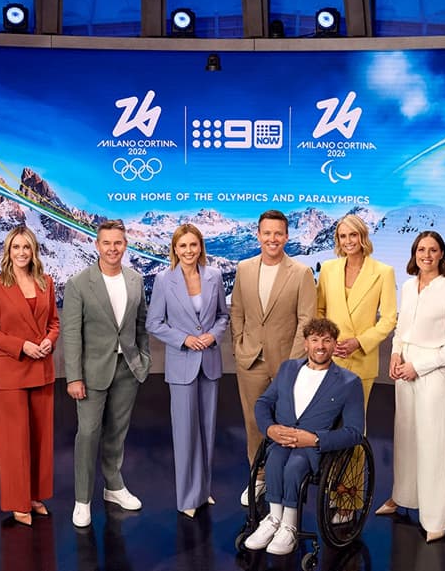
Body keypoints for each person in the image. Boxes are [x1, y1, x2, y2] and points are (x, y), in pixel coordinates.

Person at [375, 230, 445, 543]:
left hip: (432, 374)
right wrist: (395, 354)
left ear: (442, 255)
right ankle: (401, 496)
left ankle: (436, 519)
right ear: (414, 254)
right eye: (421, 249)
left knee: (433, 444)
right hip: (405, 369)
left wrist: (419, 366)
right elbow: (402, 329)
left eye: (433, 250)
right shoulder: (408, 287)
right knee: (405, 436)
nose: (426, 255)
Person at [243, 318, 364, 555]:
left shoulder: (349, 382)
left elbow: (355, 432)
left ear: (334, 344)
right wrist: (270, 429)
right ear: (306, 343)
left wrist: (316, 439)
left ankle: (289, 525)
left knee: (294, 467)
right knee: (274, 461)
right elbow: (264, 402)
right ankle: (273, 519)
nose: (321, 346)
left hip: (313, 448)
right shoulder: (288, 368)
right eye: (315, 340)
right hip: (281, 439)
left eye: (327, 340)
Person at [62, 220, 152, 528]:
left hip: (127, 368)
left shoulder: (135, 279)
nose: (113, 248)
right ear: (97, 245)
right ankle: (82, 500)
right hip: (91, 373)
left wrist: (143, 359)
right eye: (107, 243)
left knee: (117, 433)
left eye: (118, 243)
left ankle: (113, 486)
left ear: (125, 245)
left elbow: (140, 325)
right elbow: (71, 334)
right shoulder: (78, 283)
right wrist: (74, 377)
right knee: (88, 434)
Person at [230, 209, 317, 506]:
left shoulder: (301, 273)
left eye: (278, 233)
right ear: (258, 235)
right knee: (254, 422)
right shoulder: (244, 268)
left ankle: (284, 482)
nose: (272, 238)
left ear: (287, 236)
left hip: (286, 363)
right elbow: (237, 311)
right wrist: (238, 346)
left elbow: (306, 320)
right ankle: (259, 478)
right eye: (267, 233)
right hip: (251, 360)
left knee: (287, 423)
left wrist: (293, 364)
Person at [146, 223, 230, 517]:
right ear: (174, 249)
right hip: (182, 364)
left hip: (209, 362)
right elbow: (154, 323)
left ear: (201, 247)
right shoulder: (163, 280)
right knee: (185, 433)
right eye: (182, 246)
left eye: (193, 245)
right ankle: (187, 499)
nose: (188, 250)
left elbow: (222, 316)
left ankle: (203, 491)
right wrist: (184, 339)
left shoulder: (214, 276)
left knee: (207, 430)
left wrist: (213, 336)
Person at [0, 224, 59, 527]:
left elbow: (54, 323)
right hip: (12, 371)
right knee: (15, 442)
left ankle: (35, 496)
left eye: (27, 247)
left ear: (34, 251)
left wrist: (49, 340)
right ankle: (17, 502)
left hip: (42, 369)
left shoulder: (46, 282)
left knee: (40, 440)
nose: (22, 252)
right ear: (8, 252)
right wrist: (22, 346)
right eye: (16, 247)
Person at [316, 213, 397, 405]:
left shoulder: (383, 272)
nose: (348, 241)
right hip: (330, 356)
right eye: (343, 236)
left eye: (353, 235)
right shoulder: (328, 269)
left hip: (362, 358)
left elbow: (389, 319)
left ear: (362, 236)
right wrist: (327, 340)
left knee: (355, 418)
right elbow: (319, 310)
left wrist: (359, 342)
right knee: (325, 417)